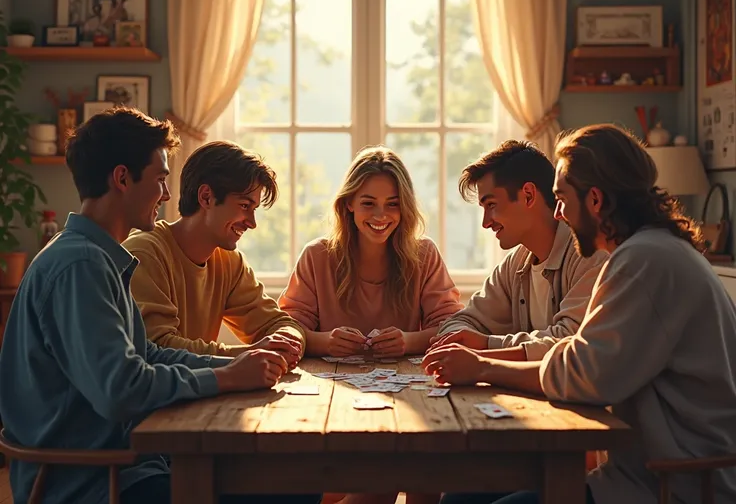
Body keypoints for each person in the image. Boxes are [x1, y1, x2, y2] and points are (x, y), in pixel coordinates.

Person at [0, 107, 318, 504]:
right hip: (95, 482)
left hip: (131, 463)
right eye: (160, 179)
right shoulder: (80, 266)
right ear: (122, 179)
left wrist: (237, 366)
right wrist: (227, 378)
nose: (167, 195)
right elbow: (122, 389)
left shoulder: (99, 258)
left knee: (290, 481)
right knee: (290, 492)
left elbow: (147, 354)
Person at [423, 124, 736, 504]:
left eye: (560, 198)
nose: (558, 213)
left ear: (596, 200)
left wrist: (483, 366)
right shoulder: (649, 251)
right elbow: (582, 358)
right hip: (641, 472)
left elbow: (582, 373)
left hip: (673, 484)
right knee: (461, 496)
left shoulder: (644, 259)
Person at [426, 140, 607, 376]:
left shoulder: (589, 253)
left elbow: (569, 342)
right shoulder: (515, 264)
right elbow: (457, 324)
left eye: (491, 205)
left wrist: (486, 346)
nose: (485, 222)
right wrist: (462, 339)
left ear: (529, 195)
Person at [123, 141, 305, 368]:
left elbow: (276, 322)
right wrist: (248, 354)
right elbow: (157, 349)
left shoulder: (230, 261)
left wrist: (288, 340)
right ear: (206, 197)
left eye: (254, 209)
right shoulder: (144, 254)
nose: (252, 223)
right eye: (244, 206)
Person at [279, 145, 463, 359]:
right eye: (368, 203)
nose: (380, 215)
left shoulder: (425, 254)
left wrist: (409, 341)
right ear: (349, 203)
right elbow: (289, 330)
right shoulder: (316, 256)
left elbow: (451, 329)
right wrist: (325, 342)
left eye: (392, 204)